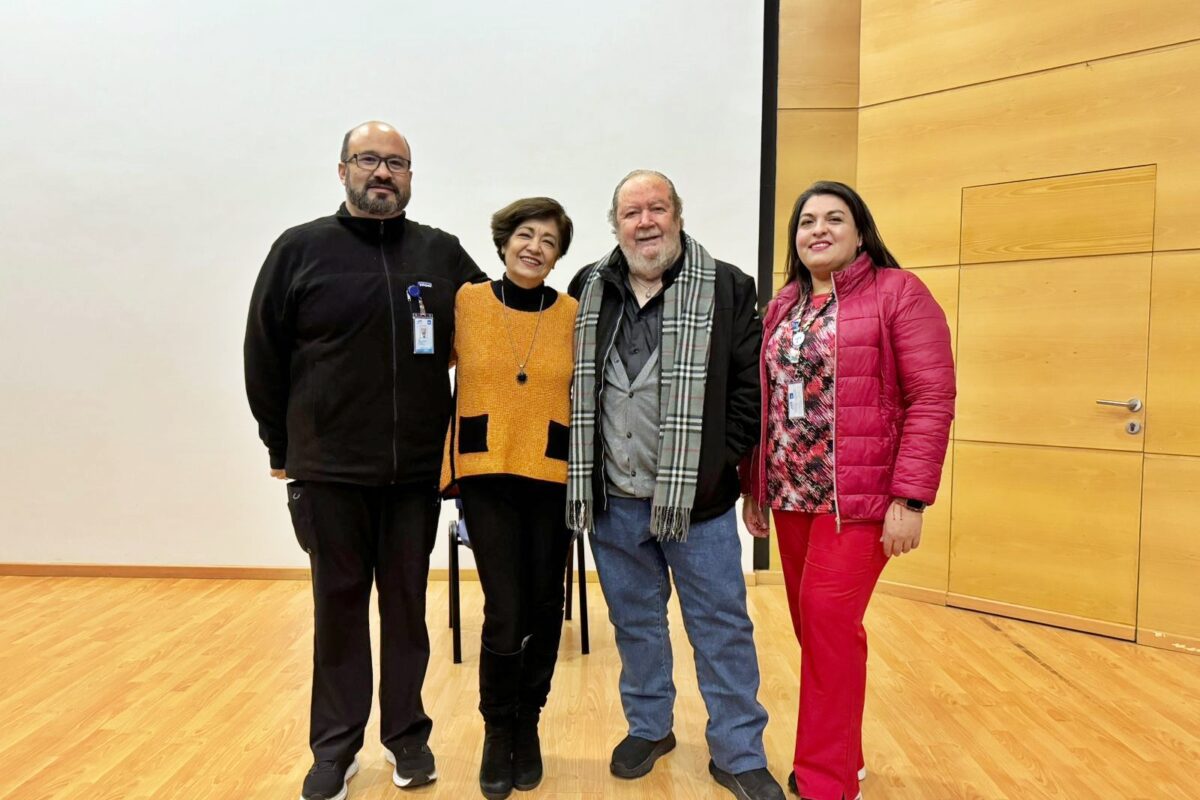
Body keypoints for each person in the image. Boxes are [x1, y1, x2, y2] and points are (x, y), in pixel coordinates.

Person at [244, 121, 485, 800]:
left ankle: (408, 739)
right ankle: (336, 748)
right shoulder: (299, 250)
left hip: (414, 476)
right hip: (327, 474)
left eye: (398, 164)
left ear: (411, 177)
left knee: (408, 610)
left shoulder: (441, 253)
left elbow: (492, 332)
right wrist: (279, 449)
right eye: (370, 160)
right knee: (339, 610)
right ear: (343, 169)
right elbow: (262, 352)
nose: (384, 173)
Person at [567, 170, 784, 800]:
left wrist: (718, 463)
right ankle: (649, 726)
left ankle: (738, 751)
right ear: (617, 225)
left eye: (656, 208)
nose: (645, 222)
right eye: (631, 212)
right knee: (635, 625)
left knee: (720, 626)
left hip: (702, 507)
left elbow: (750, 390)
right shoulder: (590, 287)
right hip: (614, 503)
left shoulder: (727, 286)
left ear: (678, 215)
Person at [741, 181, 955, 800]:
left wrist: (910, 500)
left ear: (861, 232)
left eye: (835, 219)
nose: (819, 230)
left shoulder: (899, 294)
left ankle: (824, 781)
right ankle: (845, 753)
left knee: (830, 623)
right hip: (791, 497)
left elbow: (932, 399)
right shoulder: (783, 305)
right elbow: (766, 405)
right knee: (819, 630)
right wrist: (756, 484)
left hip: (858, 503)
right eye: (807, 221)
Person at [440, 197, 578, 800]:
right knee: (506, 605)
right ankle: (498, 730)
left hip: (553, 472)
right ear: (503, 242)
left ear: (557, 256)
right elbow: (421, 366)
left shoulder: (572, 312)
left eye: (548, 241)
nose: (534, 247)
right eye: (525, 234)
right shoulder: (467, 302)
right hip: (486, 469)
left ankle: (530, 720)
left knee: (548, 604)